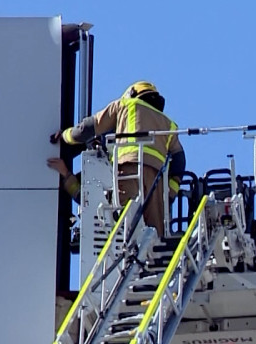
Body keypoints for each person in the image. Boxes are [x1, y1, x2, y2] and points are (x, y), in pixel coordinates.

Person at [48, 81, 186, 236]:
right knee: (156, 238)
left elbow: (86, 129)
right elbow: (179, 162)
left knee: (121, 222)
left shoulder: (125, 105)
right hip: (156, 181)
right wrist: (169, 195)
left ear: (133, 93)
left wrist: (65, 136)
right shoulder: (169, 124)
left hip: (128, 170)